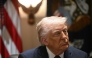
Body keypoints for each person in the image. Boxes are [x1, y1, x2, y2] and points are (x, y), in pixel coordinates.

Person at [18, 16, 88, 58]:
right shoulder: (27, 57)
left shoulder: (81, 56)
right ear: (45, 40)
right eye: (57, 33)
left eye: (65, 31)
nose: (64, 37)